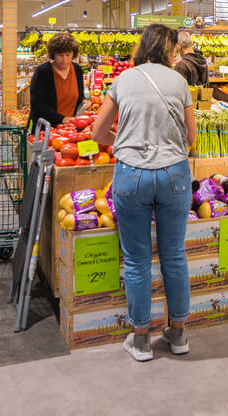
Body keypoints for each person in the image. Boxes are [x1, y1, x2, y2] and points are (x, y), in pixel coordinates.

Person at [92, 24, 196, 363]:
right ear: (169, 50)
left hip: (132, 174)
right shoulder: (179, 82)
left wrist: (122, 141)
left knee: (136, 260)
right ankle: (178, 333)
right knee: (174, 255)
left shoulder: (123, 79)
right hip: (175, 175)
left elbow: (97, 133)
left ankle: (140, 339)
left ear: (143, 46)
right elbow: (191, 137)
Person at [27, 32, 84, 131]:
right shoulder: (43, 71)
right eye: (60, 55)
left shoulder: (77, 70)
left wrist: (84, 102)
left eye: (68, 55)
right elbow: (37, 104)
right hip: (45, 129)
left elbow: (79, 95)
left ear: (73, 54)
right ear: (53, 54)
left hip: (69, 128)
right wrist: (62, 119)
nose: (64, 59)